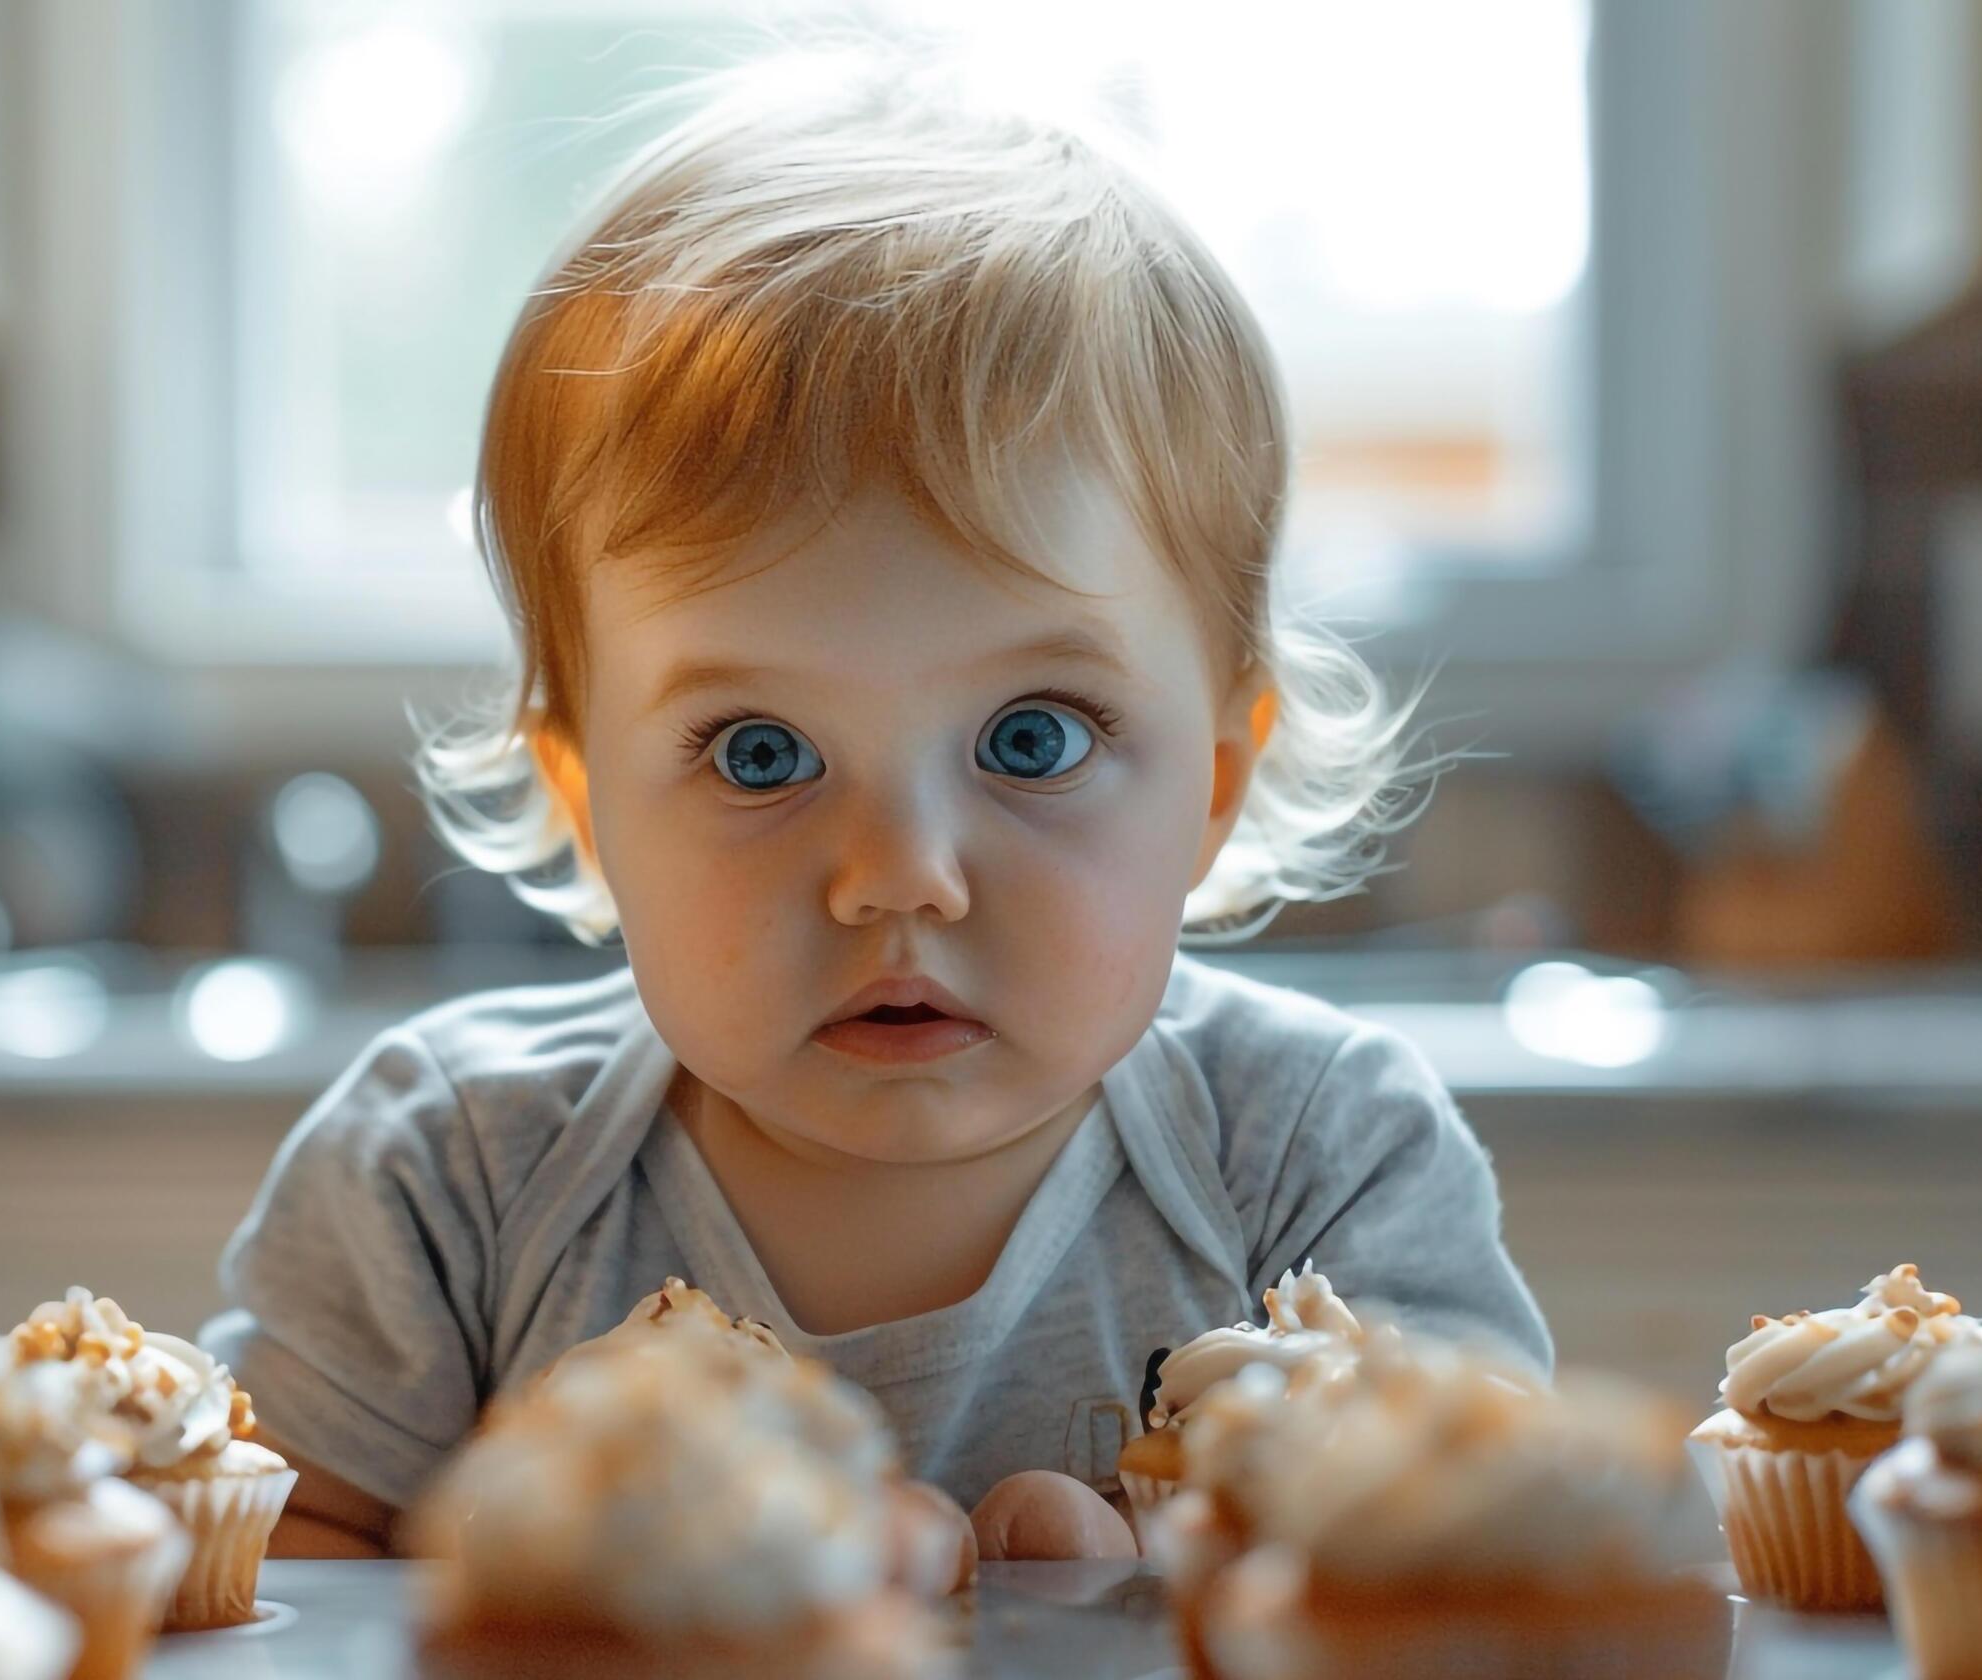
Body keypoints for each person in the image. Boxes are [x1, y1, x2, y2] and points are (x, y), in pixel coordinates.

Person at [200, 43, 1550, 1557]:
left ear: (1217, 784)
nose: (899, 878)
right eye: (760, 753)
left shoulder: (1314, 1163)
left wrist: (1138, 1636)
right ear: (584, 801)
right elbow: (273, 1626)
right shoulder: (443, 1181)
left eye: (1031, 741)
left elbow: (1493, 1590)